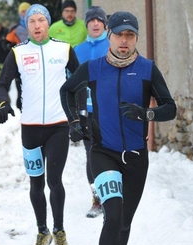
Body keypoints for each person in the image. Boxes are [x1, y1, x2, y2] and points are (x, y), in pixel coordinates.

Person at [60, 11, 177, 245]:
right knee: (112, 216)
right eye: (119, 35)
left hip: (136, 157)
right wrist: (74, 121)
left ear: (135, 39)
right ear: (109, 36)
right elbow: (66, 90)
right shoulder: (93, 68)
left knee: (124, 223)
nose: (124, 40)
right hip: (103, 153)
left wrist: (145, 113)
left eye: (130, 35)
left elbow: (170, 108)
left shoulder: (147, 69)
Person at [0, 4, 85, 245]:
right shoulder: (18, 53)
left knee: (54, 181)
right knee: (36, 183)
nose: (36, 25)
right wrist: (4, 103)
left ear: (48, 23)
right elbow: (2, 84)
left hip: (58, 126)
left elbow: (78, 84)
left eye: (41, 20)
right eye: (31, 21)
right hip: (31, 129)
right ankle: (42, 230)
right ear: (27, 25)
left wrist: (77, 117)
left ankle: (59, 231)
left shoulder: (64, 49)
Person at [74, 6, 109, 218]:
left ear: (105, 24)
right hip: (86, 111)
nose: (95, 23)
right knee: (91, 154)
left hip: (110, 109)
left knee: (110, 153)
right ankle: (97, 199)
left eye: (99, 20)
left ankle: (112, 197)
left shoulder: (113, 45)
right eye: (91, 20)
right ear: (86, 24)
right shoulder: (78, 50)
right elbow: (71, 81)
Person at [6, 2, 31, 111]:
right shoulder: (15, 29)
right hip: (20, 63)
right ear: (19, 13)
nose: (25, 13)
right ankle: (21, 111)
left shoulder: (38, 25)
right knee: (20, 88)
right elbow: (7, 44)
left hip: (36, 61)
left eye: (27, 11)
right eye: (23, 11)